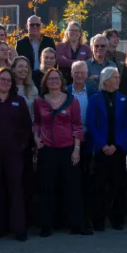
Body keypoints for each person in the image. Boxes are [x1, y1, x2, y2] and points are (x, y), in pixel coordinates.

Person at [33, 69, 89, 236]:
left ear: (62, 81)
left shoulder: (72, 101)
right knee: (47, 188)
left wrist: (77, 149)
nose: (54, 81)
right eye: (50, 79)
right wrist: (36, 138)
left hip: (68, 149)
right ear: (45, 82)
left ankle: (76, 225)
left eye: (56, 78)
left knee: (72, 188)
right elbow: (36, 123)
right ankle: (47, 226)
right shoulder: (39, 101)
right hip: (47, 149)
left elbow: (78, 126)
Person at [0, 67, 32, 241]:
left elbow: (27, 126)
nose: (6, 83)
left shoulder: (19, 101)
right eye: (2, 79)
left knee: (16, 188)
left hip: (14, 153)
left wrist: (22, 145)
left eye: (9, 80)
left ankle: (18, 228)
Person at [88, 67, 127, 231]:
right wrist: (103, 145)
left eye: (118, 77)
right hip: (101, 149)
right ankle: (98, 219)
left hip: (118, 149)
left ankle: (117, 218)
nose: (119, 80)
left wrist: (116, 144)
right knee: (99, 185)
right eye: (115, 77)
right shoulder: (95, 99)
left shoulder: (123, 99)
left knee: (118, 185)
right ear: (106, 81)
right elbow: (91, 124)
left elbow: (126, 124)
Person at [11, 56, 38, 229]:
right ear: (13, 68)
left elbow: (36, 115)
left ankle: (27, 219)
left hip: (27, 138)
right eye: (19, 66)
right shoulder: (8, 85)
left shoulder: (32, 88)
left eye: (25, 67)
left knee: (26, 178)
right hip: (10, 137)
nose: (23, 70)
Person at [67, 60, 93, 229]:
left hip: (89, 139)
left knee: (87, 180)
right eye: (76, 72)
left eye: (83, 72)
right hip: (69, 141)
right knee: (71, 181)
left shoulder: (93, 92)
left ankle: (86, 216)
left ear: (87, 74)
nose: (80, 75)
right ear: (71, 74)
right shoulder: (65, 92)